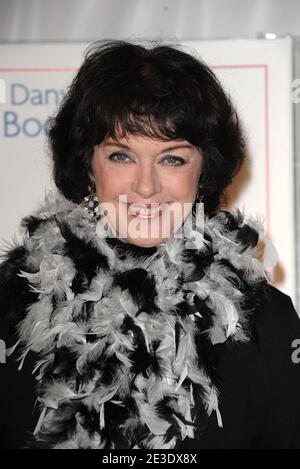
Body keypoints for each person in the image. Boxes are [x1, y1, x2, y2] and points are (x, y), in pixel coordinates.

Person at [0, 40, 299, 450]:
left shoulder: (268, 321)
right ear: (89, 164)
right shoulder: (11, 300)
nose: (145, 187)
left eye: (172, 159)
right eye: (121, 156)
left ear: (204, 170)